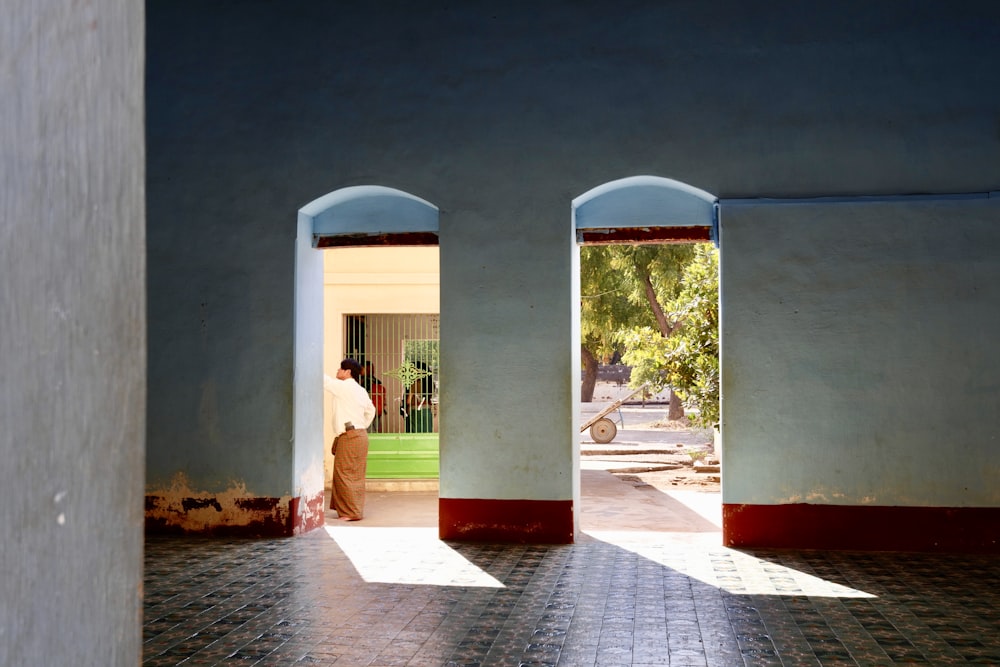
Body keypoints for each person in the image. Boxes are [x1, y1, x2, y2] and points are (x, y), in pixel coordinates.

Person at [323, 358, 376, 521]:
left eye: (340, 369)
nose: (337, 371)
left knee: (345, 474)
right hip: (359, 435)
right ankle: (349, 510)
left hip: (350, 436)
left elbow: (324, 381)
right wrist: (361, 425)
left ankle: (351, 513)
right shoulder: (360, 390)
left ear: (347, 372)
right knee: (355, 474)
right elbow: (371, 410)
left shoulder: (344, 387)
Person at [404, 361, 434, 433]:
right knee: (426, 432)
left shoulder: (414, 383)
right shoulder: (429, 383)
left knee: (414, 434)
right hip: (427, 410)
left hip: (415, 410)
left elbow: (408, 400)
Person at [360, 361, 386, 434]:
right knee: (377, 429)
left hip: (369, 409)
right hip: (378, 409)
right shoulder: (377, 381)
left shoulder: (365, 382)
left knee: (369, 430)